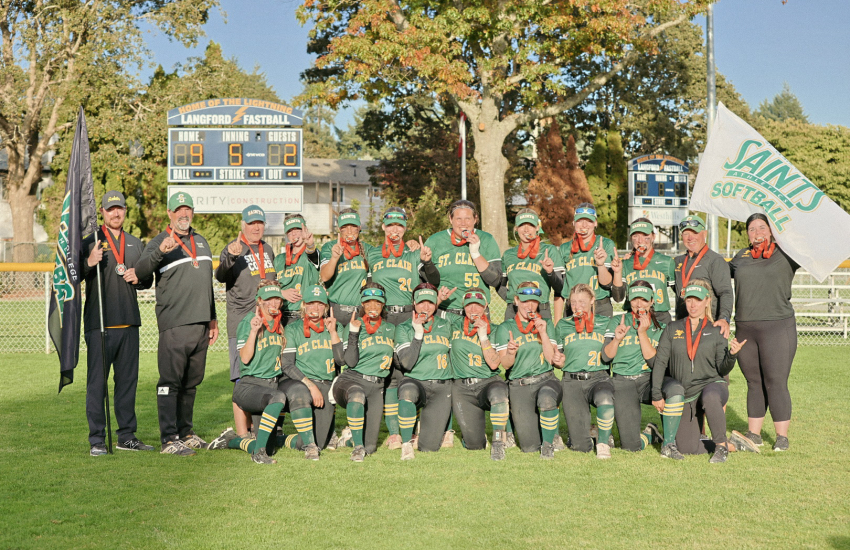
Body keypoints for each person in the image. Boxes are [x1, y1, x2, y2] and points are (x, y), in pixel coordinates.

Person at [135, 191, 218, 456]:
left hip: (201, 324)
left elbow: (207, 284)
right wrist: (160, 252)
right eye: (178, 210)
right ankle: (169, 439)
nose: (184, 214)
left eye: (188, 209)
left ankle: (186, 433)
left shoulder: (201, 241)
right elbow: (140, 272)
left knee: (191, 383)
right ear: (169, 214)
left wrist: (212, 318)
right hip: (174, 324)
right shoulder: (159, 241)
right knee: (169, 382)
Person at [81, 190, 154, 455]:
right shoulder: (91, 241)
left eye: (119, 208)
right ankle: (97, 439)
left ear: (125, 211)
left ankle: (126, 436)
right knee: (97, 385)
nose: (115, 213)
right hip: (99, 325)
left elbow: (147, 279)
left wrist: (140, 278)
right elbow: (74, 273)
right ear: (102, 212)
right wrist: (89, 262)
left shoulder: (135, 243)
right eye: (110, 209)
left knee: (127, 384)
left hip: (129, 324)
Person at [650, 281, 757, 463]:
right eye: (689, 300)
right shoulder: (672, 328)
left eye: (698, 300)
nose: (693, 305)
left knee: (710, 396)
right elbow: (660, 362)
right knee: (687, 448)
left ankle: (721, 447)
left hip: (712, 385)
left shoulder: (716, 330)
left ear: (707, 301)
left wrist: (732, 355)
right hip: (687, 394)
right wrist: (656, 393)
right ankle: (734, 444)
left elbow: (722, 368)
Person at [366, 207, 436, 449]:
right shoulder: (373, 253)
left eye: (400, 225)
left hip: (408, 315)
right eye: (390, 225)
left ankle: (411, 426)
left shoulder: (413, 253)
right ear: (383, 227)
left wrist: (427, 260)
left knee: (409, 371)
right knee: (388, 375)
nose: (395, 229)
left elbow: (432, 281)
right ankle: (394, 432)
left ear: (405, 228)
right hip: (384, 317)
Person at [729, 213, 800, 451]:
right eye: (751, 229)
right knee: (753, 382)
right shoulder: (741, 256)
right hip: (745, 328)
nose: (757, 233)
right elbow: (718, 276)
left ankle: (782, 437)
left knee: (776, 381)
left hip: (778, 327)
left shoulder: (787, 253)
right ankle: (755, 434)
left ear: (771, 231)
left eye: (762, 228)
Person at [206, 281, 293, 464]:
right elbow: (244, 359)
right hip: (250, 386)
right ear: (259, 301)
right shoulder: (248, 322)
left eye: (277, 299)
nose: (273, 304)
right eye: (268, 300)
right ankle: (258, 454)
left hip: (268, 387)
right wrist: (254, 332)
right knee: (278, 398)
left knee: (271, 447)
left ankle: (231, 440)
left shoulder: (278, 324)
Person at [215, 205, 277, 440]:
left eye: (260, 223)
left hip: (266, 324)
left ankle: (258, 429)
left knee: (263, 375)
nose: (256, 227)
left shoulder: (268, 249)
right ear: (243, 225)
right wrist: (231, 256)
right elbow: (220, 275)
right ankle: (242, 434)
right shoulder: (233, 249)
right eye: (251, 223)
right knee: (242, 378)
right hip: (242, 323)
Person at [494, 282, 562, 459]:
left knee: (547, 398)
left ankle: (549, 442)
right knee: (529, 446)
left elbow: (550, 359)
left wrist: (544, 334)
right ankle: (545, 432)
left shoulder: (546, 323)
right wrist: (510, 352)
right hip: (520, 385)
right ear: (516, 301)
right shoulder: (505, 328)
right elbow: (506, 365)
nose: (529, 306)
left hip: (545, 379)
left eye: (533, 301)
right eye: (525, 301)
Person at [279, 284, 344, 459]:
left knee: (321, 441)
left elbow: (341, 361)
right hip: (299, 382)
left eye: (320, 304)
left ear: (326, 307)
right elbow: (287, 365)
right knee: (301, 394)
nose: (315, 309)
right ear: (304, 305)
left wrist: (332, 333)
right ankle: (309, 446)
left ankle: (281, 440)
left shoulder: (336, 328)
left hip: (325, 384)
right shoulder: (293, 329)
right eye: (311, 303)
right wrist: (310, 385)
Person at [332, 283, 396, 461]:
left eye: (377, 303)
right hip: (352, 380)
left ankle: (351, 439)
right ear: (362, 304)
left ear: (383, 305)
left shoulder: (391, 329)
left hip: (376, 387)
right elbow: (350, 362)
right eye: (368, 303)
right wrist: (353, 332)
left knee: (372, 447)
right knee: (358, 395)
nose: (373, 307)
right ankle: (357, 448)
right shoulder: (354, 324)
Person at [603, 281, 668, 453]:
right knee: (631, 447)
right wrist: (617, 339)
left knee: (674, 390)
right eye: (634, 299)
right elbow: (605, 356)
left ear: (652, 301)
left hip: (647, 380)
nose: (639, 304)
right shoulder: (618, 321)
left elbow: (656, 363)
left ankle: (672, 439)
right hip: (622, 381)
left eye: (644, 300)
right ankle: (650, 434)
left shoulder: (660, 327)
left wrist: (642, 332)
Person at [447, 288, 510, 460]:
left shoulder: (496, 330)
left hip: (488, 382)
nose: (473, 310)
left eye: (478, 305)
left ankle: (498, 442)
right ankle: (478, 434)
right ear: (463, 307)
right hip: (462, 388)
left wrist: (483, 337)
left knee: (499, 393)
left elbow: (494, 363)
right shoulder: (454, 324)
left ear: (486, 306)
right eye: (469, 306)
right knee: (475, 445)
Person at [554, 283, 614, 459]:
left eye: (581, 301)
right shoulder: (563, 325)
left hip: (598, 377)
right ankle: (590, 431)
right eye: (573, 302)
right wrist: (559, 360)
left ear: (592, 300)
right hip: (572, 380)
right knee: (581, 447)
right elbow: (561, 357)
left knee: (605, 398)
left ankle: (603, 442)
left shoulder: (605, 323)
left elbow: (611, 353)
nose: (577, 306)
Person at [394, 283, 454, 460]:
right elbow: (407, 363)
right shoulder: (404, 328)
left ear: (436, 304)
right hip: (416, 382)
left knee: (429, 447)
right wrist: (418, 333)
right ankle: (406, 444)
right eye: (421, 303)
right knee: (406, 391)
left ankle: (430, 430)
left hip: (441, 386)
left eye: (430, 303)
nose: (425, 307)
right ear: (414, 303)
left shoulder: (446, 324)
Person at [422, 200, 501, 315]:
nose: (463, 223)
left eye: (468, 218)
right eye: (458, 219)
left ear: (475, 219)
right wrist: (427, 262)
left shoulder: (487, 239)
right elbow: (430, 281)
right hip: (444, 310)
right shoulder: (435, 240)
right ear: (450, 219)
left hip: (477, 311)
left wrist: (475, 253)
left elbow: (495, 280)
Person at [499, 208, 564, 321]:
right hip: (514, 312)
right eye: (522, 225)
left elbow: (561, 288)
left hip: (540, 310)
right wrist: (511, 299)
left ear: (537, 227)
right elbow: (499, 285)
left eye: (530, 225)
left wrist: (550, 272)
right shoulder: (508, 254)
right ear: (516, 228)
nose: (526, 229)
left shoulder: (549, 251)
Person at [673, 215, 733, 337]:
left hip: (708, 327)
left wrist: (724, 318)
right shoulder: (677, 261)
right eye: (686, 233)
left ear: (704, 234)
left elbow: (725, 292)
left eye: (694, 232)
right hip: (682, 326)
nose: (690, 238)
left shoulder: (715, 260)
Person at [557, 203, 617, 322]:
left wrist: (600, 264)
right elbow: (559, 290)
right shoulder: (564, 249)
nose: (584, 225)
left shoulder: (606, 244)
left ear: (595, 223)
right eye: (580, 221)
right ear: (574, 223)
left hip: (599, 304)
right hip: (573, 305)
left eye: (589, 221)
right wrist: (558, 322)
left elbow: (607, 284)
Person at [611, 218, 677, 324]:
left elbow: (679, 293)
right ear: (631, 238)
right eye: (635, 236)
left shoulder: (667, 262)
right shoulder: (625, 263)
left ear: (653, 237)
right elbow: (618, 298)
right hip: (634, 316)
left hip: (660, 316)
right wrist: (617, 272)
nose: (640, 240)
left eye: (645, 235)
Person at [320, 209, 372, 325]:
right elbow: (324, 277)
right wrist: (334, 258)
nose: (349, 231)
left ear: (359, 227)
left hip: (359, 311)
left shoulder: (368, 249)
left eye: (353, 226)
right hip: (336, 310)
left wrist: (410, 243)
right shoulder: (330, 247)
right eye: (345, 227)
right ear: (339, 229)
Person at [273, 214, 320, 326]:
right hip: (281, 315)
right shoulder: (279, 259)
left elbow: (313, 253)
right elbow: (268, 285)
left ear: (305, 230)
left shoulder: (310, 254)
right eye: (290, 231)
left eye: (298, 229)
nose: (294, 234)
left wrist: (310, 244)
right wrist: (281, 293)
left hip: (305, 315)